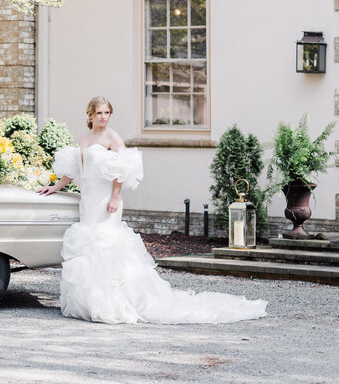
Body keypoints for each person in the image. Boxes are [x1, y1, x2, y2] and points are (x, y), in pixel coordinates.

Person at [37, 96, 266, 324]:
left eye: (107, 113)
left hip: (107, 199)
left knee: (105, 242)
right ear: (90, 114)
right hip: (88, 199)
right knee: (88, 243)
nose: (104, 117)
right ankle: (88, 301)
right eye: (99, 113)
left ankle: (112, 301)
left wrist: (115, 197)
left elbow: (122, 169)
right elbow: (77, 168)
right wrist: (55, 186)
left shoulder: (112, 138)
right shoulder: (85, 138)